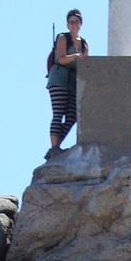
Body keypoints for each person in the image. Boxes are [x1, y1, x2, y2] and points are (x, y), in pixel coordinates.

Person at [47, 9, 89, 155]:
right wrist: (76, 56)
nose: (74, 25)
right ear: (67, 24)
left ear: (81, 24)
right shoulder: (63, 38)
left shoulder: (83, 43)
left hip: (73, 82)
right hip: (59, 79)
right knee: (58, 113)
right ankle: (54, 148)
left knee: (72, 116)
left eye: (76, 22)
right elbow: (61, 58)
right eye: (71, 22)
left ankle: (57, 145)